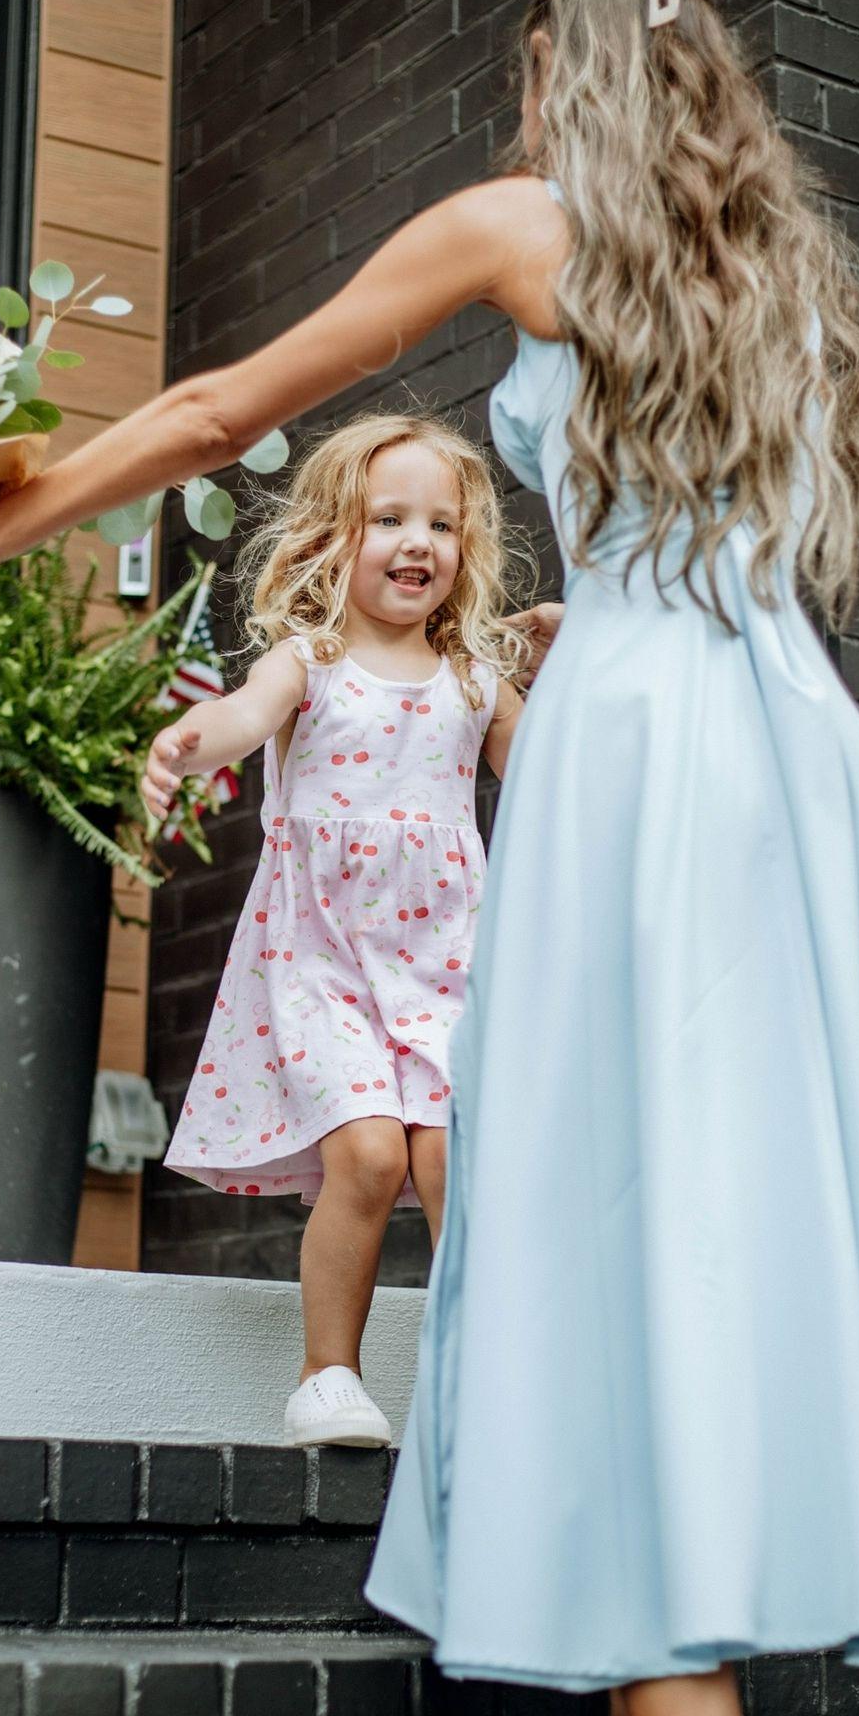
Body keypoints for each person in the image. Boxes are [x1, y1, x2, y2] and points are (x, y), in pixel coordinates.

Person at [0, 0, 859, 1716]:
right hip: (798, 759)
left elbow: (224, 405)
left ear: (563, 81)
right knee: (715, 1242)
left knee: (584, 1259)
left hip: (638, 753)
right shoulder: (789, 282)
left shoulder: (523, 224)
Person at [142, 415, 530, 1449]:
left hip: (446, 962)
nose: (419, 543)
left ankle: (473, 1387)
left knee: (451, 1160)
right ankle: (325, 1379)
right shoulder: (308, 660)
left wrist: (576, 666)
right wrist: (187, 740)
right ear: (334, 536)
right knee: (366, 1157)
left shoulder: (474, 681)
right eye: (389, 518)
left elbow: (550, 774)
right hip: (323, 958)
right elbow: (239, 715)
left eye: (442, 524)